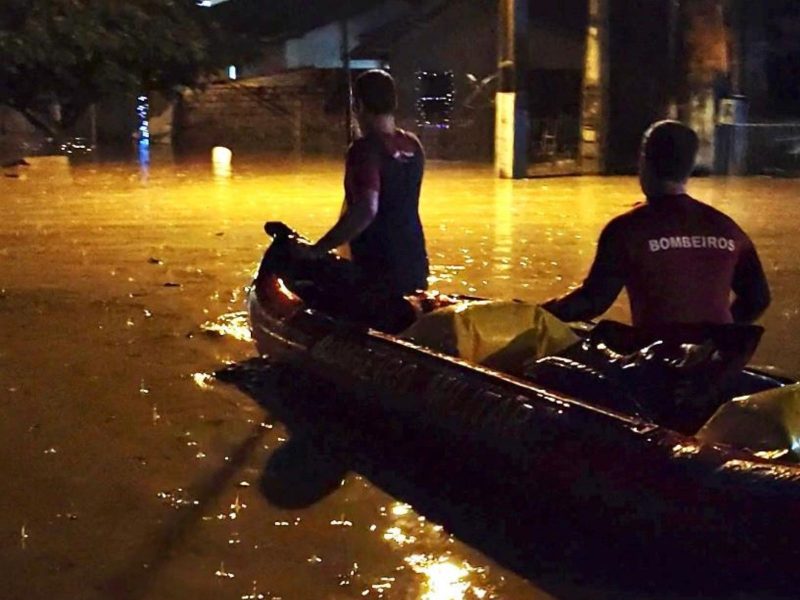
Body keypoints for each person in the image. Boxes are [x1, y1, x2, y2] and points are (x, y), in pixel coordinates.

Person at [542, 120, 770, 329]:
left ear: (643, 162)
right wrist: (719, 335)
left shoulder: (626, 230)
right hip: (712, 359)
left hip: (657, 359)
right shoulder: (727, 227)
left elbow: (592, 302)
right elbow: (758, 298)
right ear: (690, 167)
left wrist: (539, 313)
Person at [297, 69, 429, 297]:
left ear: (357, 105)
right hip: (415, 263)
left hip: (376, 270)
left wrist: (318, 249)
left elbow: (366, 209)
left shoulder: (364, 150)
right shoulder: (413, 145)